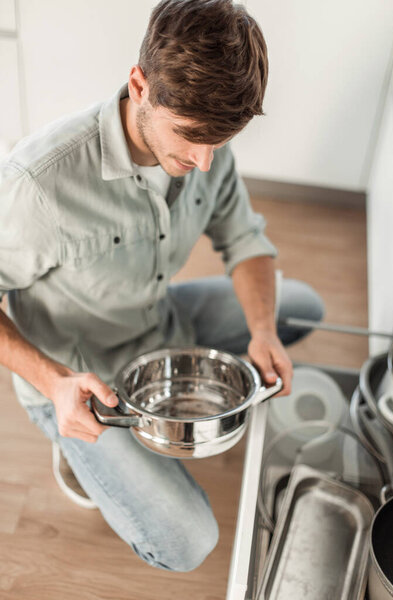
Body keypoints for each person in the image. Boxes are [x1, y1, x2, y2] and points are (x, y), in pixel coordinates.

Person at [0, 0, 324, 572]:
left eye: (219, 141)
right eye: (191, 137)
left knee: (299, 307)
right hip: (81, 372)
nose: (204, 161)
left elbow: (245, 242)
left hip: (157, 317)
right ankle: (72, 443)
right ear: (139, 84)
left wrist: (263, 330)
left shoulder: (206, 148)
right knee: (187, 543)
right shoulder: (40, 184)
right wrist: (52, 382)